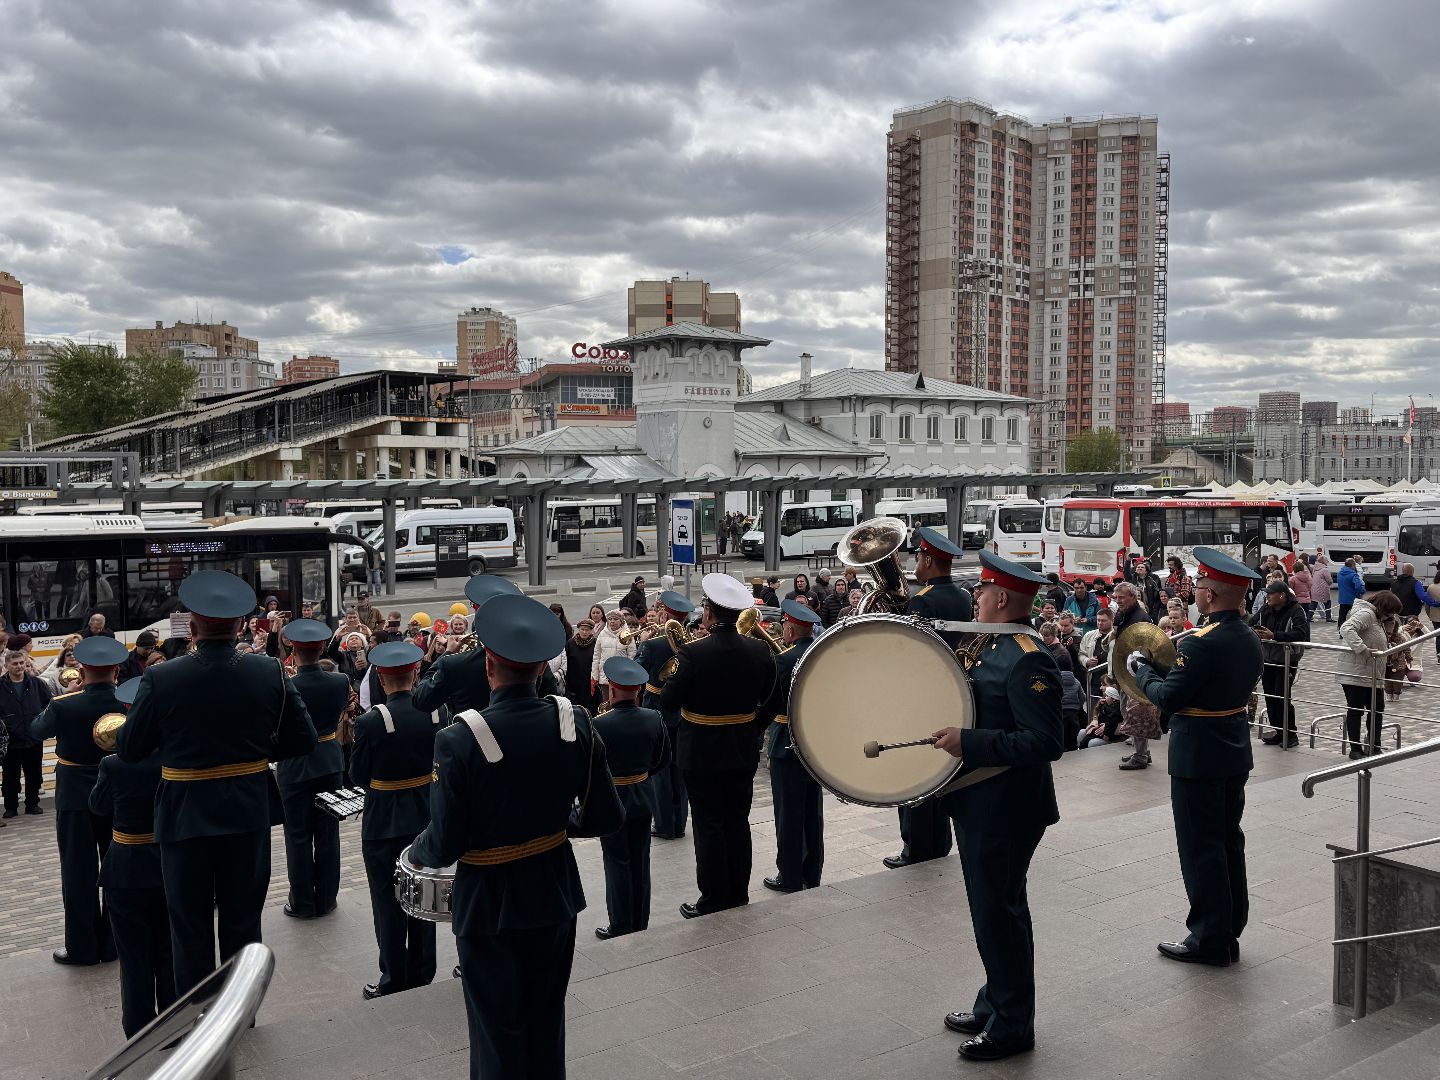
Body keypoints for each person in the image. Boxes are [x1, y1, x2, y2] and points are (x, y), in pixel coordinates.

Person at [408, 594, 624, 1080]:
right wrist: (552, 827)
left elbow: (442, 844)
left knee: (495, 1031)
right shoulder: (576, 722)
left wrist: (414, 847)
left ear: (489, 665)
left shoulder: (459, 738)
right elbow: (604, 817)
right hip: (553, 891)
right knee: (546, 1020)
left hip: (488, 900)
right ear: (542, 668)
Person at [117, 571, 317, 994]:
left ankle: (197, 1014)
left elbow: (132, 749)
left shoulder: (162, 677)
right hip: (247, 807)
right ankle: (240, 1012)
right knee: (244, 918)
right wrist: (251, 759)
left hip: (183, 810)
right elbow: (302, 739)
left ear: (192, 627)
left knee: (188, 923)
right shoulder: (269, 671)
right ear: (242, 625)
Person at [932, 551, 1063, 1062]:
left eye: (981, 591)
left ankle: (1012, 1026)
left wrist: (970, 742)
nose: (975, 598)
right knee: (992, 911)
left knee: (999, 913)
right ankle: (994, 1001)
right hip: (980, 800)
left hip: (1007, 807)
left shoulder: (1027, 656)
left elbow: (1044, 742)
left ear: (1002, 598)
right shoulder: (987, 644)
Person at [1128, 547, 1264, 967]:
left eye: (1200, 586)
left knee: (1200, 846)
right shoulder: (1248, 637)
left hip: (1199, 754)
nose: (1195, 593)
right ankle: (1228, 929)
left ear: (1211, 595)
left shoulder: (1202, 643)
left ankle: (1208, 937)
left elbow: (1169, 696)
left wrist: (1141, 669)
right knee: (1227, 841)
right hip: (1232, 749)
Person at [660, 573, 776, 918]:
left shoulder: (693, 653)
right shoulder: (759, 649)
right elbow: (772, 701)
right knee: (737, 821)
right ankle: (738, 892)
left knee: (709, 823)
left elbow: (667, 700)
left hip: (700, 751)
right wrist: (751, 726)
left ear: (709, 613)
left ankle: (713, 898)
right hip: (742, 748)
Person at [350, 640, 449, 998]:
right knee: (423, 895)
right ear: (415, 673)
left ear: (380, 676)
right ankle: (423, 971)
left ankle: (393, 977)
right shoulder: (439, 712)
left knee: (387, 901)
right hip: (426, 813)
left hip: (384, 819)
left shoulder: (372, 720)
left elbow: (358, 775)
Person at [30, 637, 124, 966]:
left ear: (81, 670)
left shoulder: (64, 704)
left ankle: (82, 947)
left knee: (77, 872)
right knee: (116, 869)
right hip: (117, 794)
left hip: (74, 795)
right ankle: (114, 943)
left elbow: (36, 731)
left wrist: (68, 695)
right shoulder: (129, 703)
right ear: (116, 670)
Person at [89, 677, 175, 1037]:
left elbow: (97, 805)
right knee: (169, 950)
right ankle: (174, 1025)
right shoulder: (172, 756)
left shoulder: (113, 763)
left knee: (132, 955)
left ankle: (138, 1030)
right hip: (167, 863)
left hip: (124, 865)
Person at [886, 527, 971, 870]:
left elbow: (909, 651)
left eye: (919, 557)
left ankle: (916, 847)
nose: (915, 563)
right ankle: (938, 842)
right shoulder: (963, 597)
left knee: (914, 771)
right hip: (950, 693)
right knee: (941, 771)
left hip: (921, 694)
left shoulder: (923, 600)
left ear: (929, 560)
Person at [591, 655, 670, 939]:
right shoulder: (653, 717)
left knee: (617, 864)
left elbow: (592, 770)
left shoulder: (599, 724)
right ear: (637, 690)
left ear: (611, 691)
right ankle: (640, 920)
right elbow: (662, 760)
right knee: (640, 861)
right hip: (643, 796)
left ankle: (621, 923)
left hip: (612, 800)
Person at [277, 619, 351, 920]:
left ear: (293, 651)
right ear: (322, 648)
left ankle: (302, 902)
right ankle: (327, 899)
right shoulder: (340, 681)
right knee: (327, 833)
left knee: (297, 837)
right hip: (329, 760)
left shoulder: (286, 685)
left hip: (295, 765)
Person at [760, 600, 824, 891]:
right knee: (812, 810)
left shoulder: (783, 660)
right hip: (814, 741)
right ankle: (812, 872)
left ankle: (789, 875)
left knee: (788, 813)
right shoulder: (820, 654)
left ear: (790, 627)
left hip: (786, 740)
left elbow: (768, 701)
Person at [635, 590, 697, 841]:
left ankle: (663, 824)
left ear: (664, 615)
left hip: (656, 708)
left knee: (659, 769)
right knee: (678, 769)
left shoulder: (651, 644)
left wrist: (641, 644)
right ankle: (680, 822)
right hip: (681, 712)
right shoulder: (692, 645)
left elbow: (635, 675)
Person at [413, 575, 521, 717]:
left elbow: (421, 699)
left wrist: (447, 654)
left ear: (478, 612)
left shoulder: (454, 664)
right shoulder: (531, 658)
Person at [1338, 590, 1400, 758]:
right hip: (1356, 671)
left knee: (1377, 709)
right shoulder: (1367, 613)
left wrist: (1389, 626)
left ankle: (1374, 745)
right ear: (1383, 607)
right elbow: (1346, 628)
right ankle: (1356, 749)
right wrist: (1362, 649)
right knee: (1356, 710)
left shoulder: (1379, 618)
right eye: (1390, 612)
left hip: (1372, 673)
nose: (1391, 615)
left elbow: (1378, 639)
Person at [1249, 580, 1309, 748]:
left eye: (1270, 593)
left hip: (1286, 661)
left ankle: (1291, 734)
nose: (1267, 597)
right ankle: (1278, 731)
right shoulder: (1266, 609)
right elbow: (1251, 623)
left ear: (1282, 595)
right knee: (1270, 697)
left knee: (1282, 697)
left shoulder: (1296, 610)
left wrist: (1274, 636)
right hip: (1267, 660)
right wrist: (1255, 631)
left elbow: (1300, 633)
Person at [1, 647, 52, 818]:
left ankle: (32, 803)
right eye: (15, 664)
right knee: (10, 776)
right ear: (7, 666)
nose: (19, 666)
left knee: (34, 773)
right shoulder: (1, 686)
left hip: (33, 737)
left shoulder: (37, 684)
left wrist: (42, 724)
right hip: (10, 740)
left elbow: (49, 705)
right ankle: (11, 807)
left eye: (22, 663)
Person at [589, 609, 632, 698]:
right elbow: (596, 656)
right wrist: (594, 676)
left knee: (620, 701)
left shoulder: (627, 634)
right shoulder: (602, 634)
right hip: (605, 675)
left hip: (621, 675)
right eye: (610, 619)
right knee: (606, 702)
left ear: (621, 621)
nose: (612, 621)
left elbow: (632, 655)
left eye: (615, 619)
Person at [1337, 557, 1365, 625]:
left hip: (1342, 599)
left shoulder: (1339, 573)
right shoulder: (1353, 575)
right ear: (1353, 565)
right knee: (1355, 616)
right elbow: (1358, 586)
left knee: (1342, 616)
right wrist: (1362, 591)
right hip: (1353, 599)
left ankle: (1341, 630)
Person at [1290, 558, 1315, 622]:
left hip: (1297, 601)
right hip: (1307, 600)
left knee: (1297, 619)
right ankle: (1307, 631)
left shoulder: (1293, 579)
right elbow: (1310, 587)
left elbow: (1291, 590)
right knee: (1306, 619)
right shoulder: (1309, 577)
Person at [1311, 555, 1335, 622]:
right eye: (1326, 560)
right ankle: (1328, 618)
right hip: (1323, 589)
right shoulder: (1325, 569)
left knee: (1314, 602)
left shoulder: (1315, 568)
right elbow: (1329, 580)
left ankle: (1309, 616)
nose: (1327, 561)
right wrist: (1330, 584)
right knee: (1327, 602)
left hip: (1314, 588)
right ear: (1323, 561)